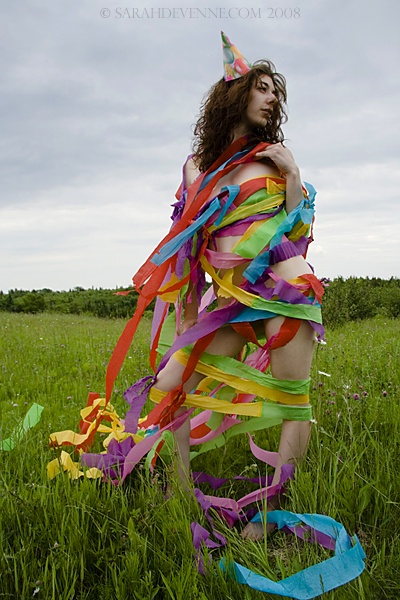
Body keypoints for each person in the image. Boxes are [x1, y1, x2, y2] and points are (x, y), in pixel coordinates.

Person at [49, 32, 324, 542]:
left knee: (293, 401)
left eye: (276, 92)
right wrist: (189, 316)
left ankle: (269, 517)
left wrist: (293, 176)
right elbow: (190, 249)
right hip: (232, 306)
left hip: (288, 293)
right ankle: (177, 496)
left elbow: (299, 234)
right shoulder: (198, 169)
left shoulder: (275, 157)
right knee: (169, 386)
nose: (271, 99)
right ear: (235, 94)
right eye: (262, 88)